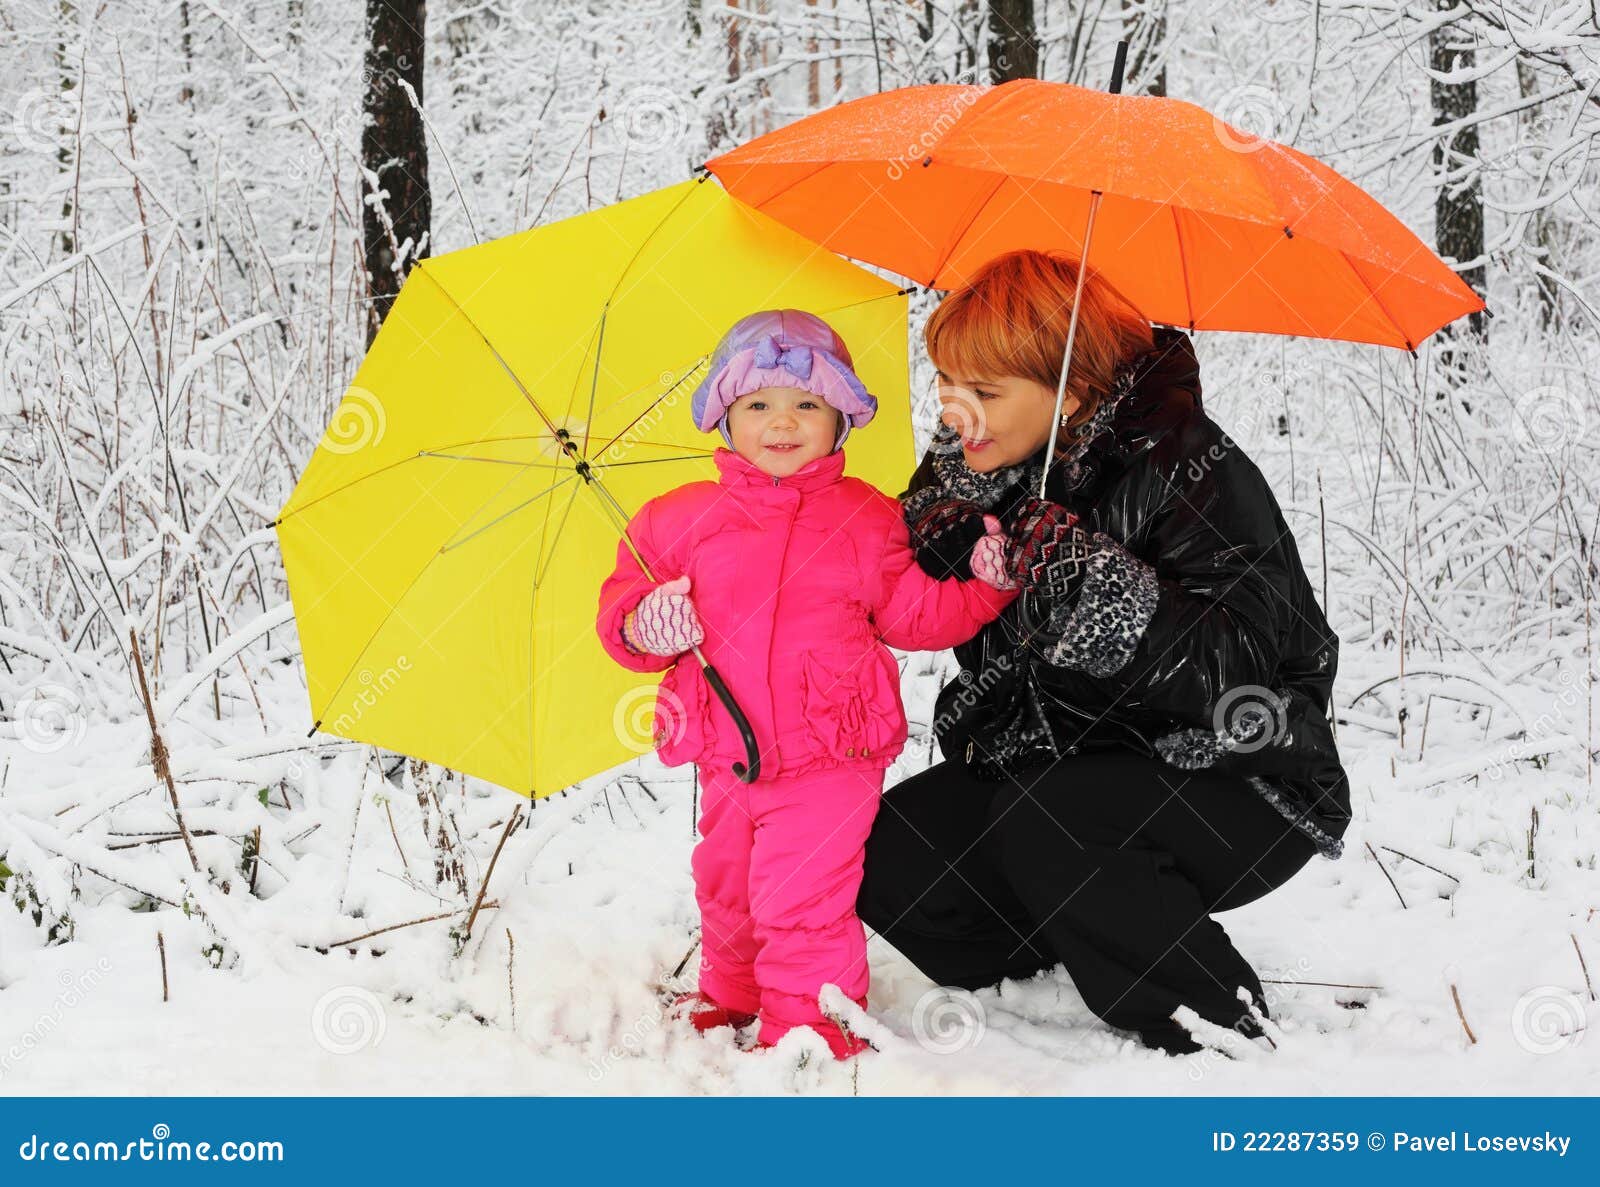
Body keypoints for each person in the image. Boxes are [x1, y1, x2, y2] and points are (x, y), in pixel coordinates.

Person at [857, 249, 1351, 1056]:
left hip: (1242, 778)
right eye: (946, 382)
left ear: (1072, 393)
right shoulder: (974, 468)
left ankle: (1210, 1018)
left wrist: (1096, 590)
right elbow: (877, 591)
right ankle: (1067, 952)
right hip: (1060, 768)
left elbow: (1247, 671)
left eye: (983, 392)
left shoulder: (1193, 468)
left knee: (1046, 819)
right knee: (888, 851)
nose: (954, 411)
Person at [595, 308, 1019, 1059]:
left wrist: (984, 590)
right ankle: (735, 991)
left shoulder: (865, 518)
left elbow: (913, 612)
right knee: (725, 881)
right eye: (758, 404)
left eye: (806, 404)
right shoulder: (677, 521)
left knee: (803, 895)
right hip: (727, 753)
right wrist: (642, 624)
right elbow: (621, 609)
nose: (781, 423)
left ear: (839, 419)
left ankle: (812, 1027)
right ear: (725, 417)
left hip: (830, 748)